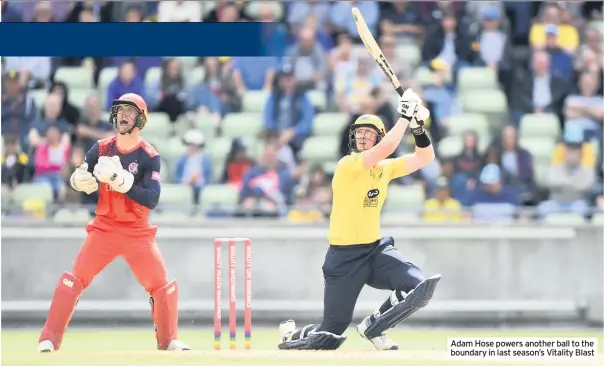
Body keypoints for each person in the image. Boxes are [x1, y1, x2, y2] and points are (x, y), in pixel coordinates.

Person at [277, 89, 441, 351]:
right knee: (328, 337)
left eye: (369, 132)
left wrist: (417, 127)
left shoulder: (385, 169)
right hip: (343, 258)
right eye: (359, 132)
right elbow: (388, 147)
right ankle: (291, 335)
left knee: (417, 286)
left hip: (374, 251)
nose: (363, 136)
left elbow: (425, 157)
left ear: (378, 136)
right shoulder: (348, 165)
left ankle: (375, 327)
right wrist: (405, 116)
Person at [38, 93, 190, 353]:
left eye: (130, 112)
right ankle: (49, 339)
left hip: (137, 232)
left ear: (141, 119)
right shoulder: (101, 148)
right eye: (120, 110)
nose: (123, 115)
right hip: (104, 229)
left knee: (161, 284)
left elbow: (152, 199)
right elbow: (83, 172)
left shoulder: (148, 155)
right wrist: (77, 180)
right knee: (74, 280)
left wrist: (123, 181)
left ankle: (169, 340)